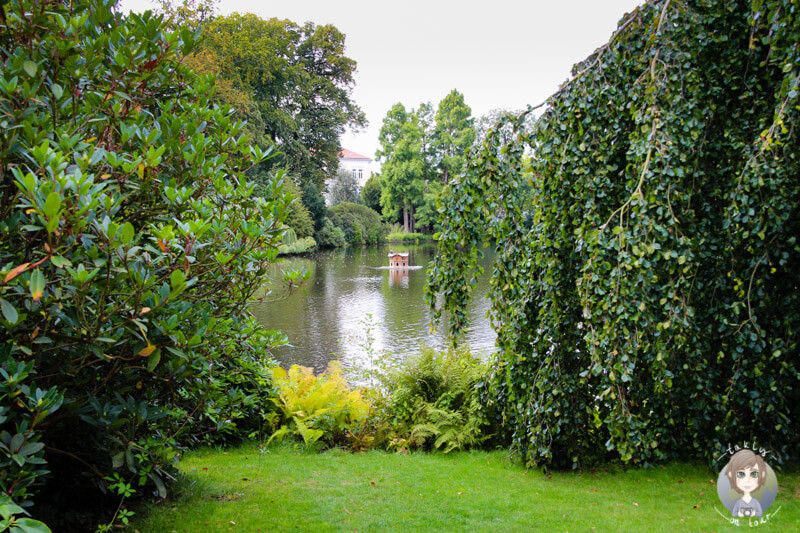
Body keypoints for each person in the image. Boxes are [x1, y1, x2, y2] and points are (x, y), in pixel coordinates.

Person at [725, 449, 767, 517]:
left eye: (754, 474)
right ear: (731, 475)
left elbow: (760, 513)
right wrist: (739, 514)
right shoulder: (738, 502)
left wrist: (753, 513)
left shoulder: (755, 502)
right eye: (741, 474)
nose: (747, 480)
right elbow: (734, 513)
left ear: (762, 474)